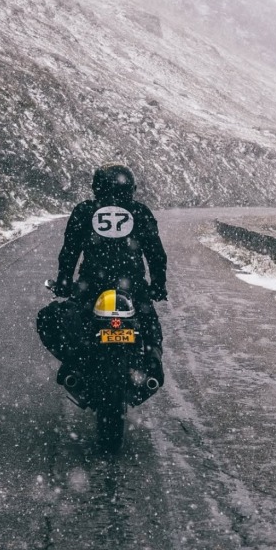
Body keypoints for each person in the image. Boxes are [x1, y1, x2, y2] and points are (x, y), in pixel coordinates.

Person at [37, 163, 168, 388]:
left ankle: (75, 364)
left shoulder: (84, 210)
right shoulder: (140, 212)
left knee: (56, 320)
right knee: (149, 324)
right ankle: (152, 367)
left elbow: (69, 252)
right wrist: (157, 285)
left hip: (91, 285)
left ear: (97, 187)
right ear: (131, 187)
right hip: (133, 287)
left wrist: (64, 282)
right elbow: (157, 254)